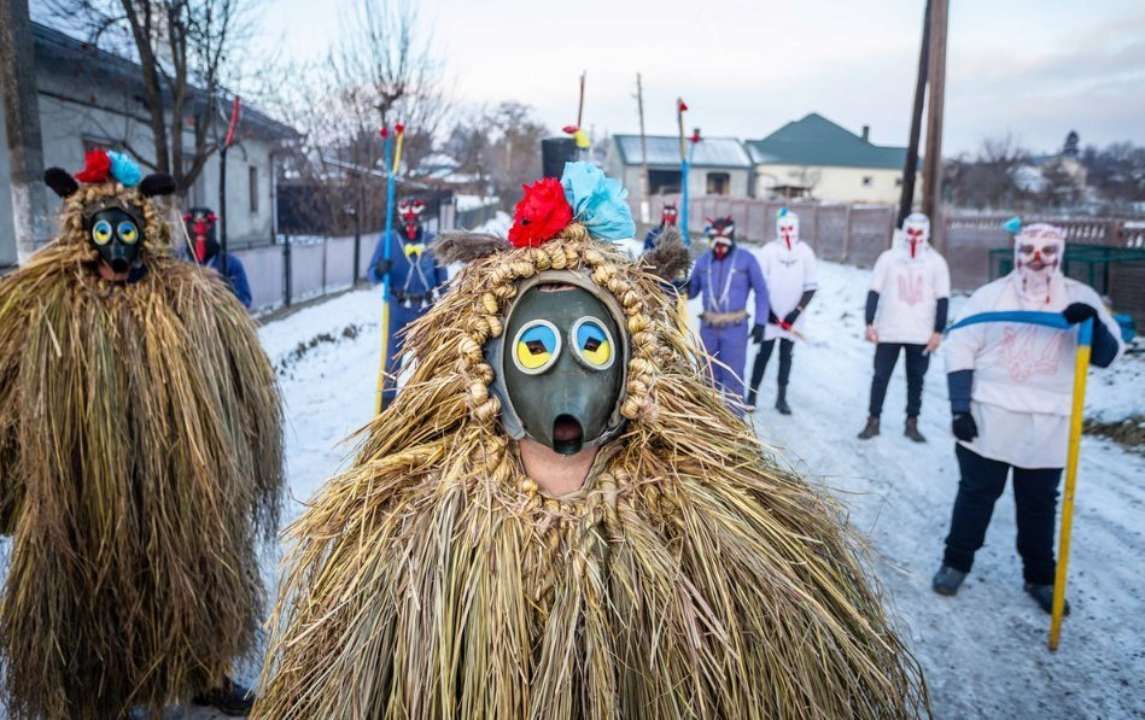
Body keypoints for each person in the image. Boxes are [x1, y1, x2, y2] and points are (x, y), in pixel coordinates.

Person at [252, 163, 926, 719]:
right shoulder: (421, 521)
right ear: (490, 363)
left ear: (632, 360)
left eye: (594, 347)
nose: (568, 382)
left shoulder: (688, 514)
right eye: (537, 349)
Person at [0, 149, 283, 718]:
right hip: (80, 493)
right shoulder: (40, 304)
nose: (116, 245)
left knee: (191, 577)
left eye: (126, 229)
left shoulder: (191, 297)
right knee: (87, 593)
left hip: (176, 486)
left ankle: (203, 672)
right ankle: (91, 694)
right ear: (84, 231)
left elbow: (244, 387)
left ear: (145, 229)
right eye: (103, 230)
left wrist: (245, 465)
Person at [932, 223, 1123, 614]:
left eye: (1048, 250)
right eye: (1029, 249)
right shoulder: (991, 296)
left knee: (1038, 506)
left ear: (1061, 252)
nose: (1038, 259)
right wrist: (959, 408)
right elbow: (960, 348)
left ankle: (1040, 576)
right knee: (975, 495)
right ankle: (956, 562)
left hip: (1049, 425)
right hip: (989, 419)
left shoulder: (1080, 296)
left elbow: (1106, 355)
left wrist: (1092, 325)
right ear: (1016, 251)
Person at [857, 212, 951, 442]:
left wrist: (938, 331)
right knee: (880, 377)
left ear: (927, 233)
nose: (914, 237)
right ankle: (873, 420)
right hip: (889, 330)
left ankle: (912, 422)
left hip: (921, 332)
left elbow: (943, 298)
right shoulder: (888, 258)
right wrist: (869, 323)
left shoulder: (936, 262)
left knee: (916, 380)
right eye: (911, 231)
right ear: (904, 231)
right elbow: (874, 291)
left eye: (919, 233)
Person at [367, 197, 448, 408]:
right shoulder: (388, 241)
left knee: (428, 360)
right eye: (407, 219)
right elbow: (371, 274)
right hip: (397, 309)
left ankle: (426, 406)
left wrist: (449, 302)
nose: (411, 223)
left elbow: (443, 279)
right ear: (401, 218)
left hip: (426, 310)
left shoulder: (432, 241)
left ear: (421, 218)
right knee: (391, 362)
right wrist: (379, 270)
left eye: (415, 218)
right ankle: (386, 408)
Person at [687, 216, 769, 406]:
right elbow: (691, 292)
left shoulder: (747, 260)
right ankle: (709, 426)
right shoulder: (702, 262)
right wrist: (678, 283)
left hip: (735, 329)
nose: (720, 242)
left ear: (732, 236)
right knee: (707, 380)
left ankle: (734, 429)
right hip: (708, 330)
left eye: (725, 236)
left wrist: (760, 322)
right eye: (716, 236)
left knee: (733, 380)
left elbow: (761, 291)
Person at [746, 208, 817, 414]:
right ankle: (752, 395)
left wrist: (796, 312)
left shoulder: (805, 252)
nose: (787, 232)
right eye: (783, 228)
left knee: (786, 356)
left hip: (793, 318)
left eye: (791, 228)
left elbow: (810, 287)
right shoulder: (768, 250)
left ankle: (781, 398)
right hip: (771, 316)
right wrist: (767, 312)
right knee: (764, 354)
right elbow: (759, 284)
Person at [184, 206, 253, 308]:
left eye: (206, 225)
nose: (200, 229)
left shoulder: (231, 264)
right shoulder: (178, 261)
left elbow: (245, 301)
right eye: (194, 225)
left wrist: (226, 291)